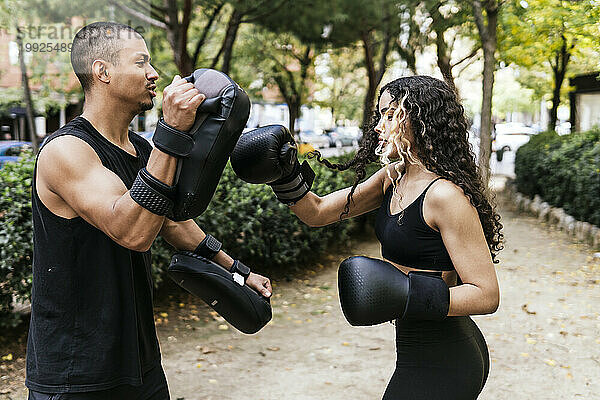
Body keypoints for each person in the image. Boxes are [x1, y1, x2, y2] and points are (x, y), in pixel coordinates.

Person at [26, 22, 272, 400]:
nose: (154, 73)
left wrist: (237, 270)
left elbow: (172, 223)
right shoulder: (66, 151)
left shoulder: (140, 149)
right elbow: (132, 232)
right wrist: (171, 132)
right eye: (141, 62)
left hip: (138, 360)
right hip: (76, 370)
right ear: (102, 72)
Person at [232, 75, 503, 399]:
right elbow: (317, 213)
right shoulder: (393, 177)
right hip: (415, 347)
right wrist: (285, 176)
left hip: (446, 355)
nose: (379, 125)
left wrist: (404, 294)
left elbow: (486, 295)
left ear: (421, 119)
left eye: (390, 114)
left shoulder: (444, 196)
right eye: (380, 115)